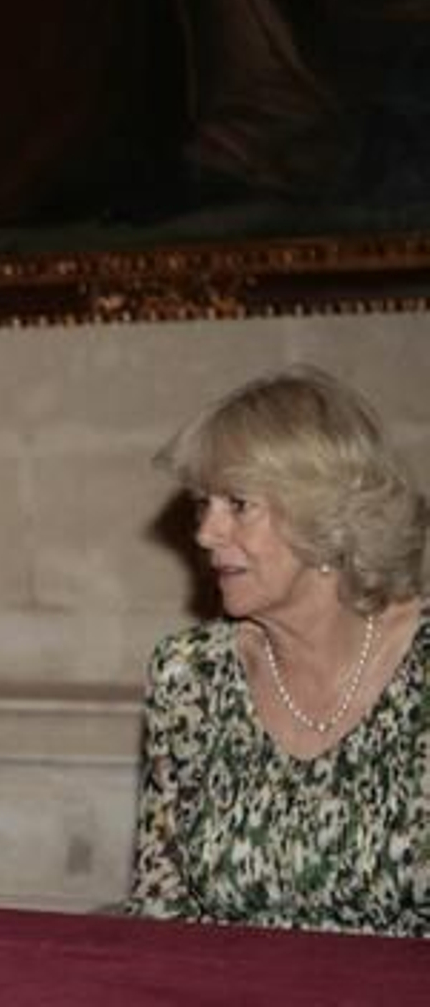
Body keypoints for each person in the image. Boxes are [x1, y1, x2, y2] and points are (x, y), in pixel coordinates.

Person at [127, 365, 429, 936]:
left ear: (324, 515)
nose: (205, 533)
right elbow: (161, 913)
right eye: (203, 504)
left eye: (238, 504)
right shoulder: (191, 677)